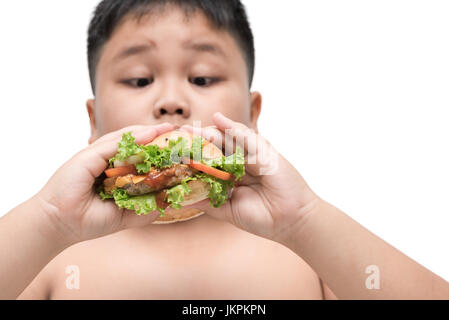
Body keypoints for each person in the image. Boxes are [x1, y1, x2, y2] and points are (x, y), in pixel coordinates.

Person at [1, 0, 448, 300]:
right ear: (93, 120)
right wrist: (50, 219)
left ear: (252, 115)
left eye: (202, 78)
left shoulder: (306, 251)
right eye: (139, 79)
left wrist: (307, 221)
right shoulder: (53, 254)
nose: (171, 100)